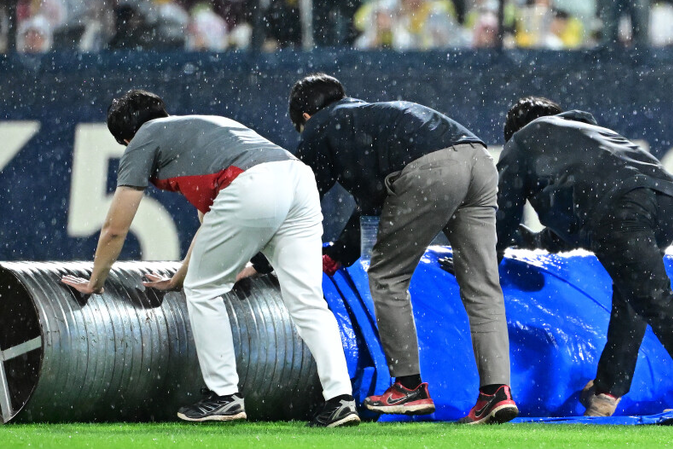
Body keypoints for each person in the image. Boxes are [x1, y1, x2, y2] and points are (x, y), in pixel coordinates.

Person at [60, 90, 358, 427]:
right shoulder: (200, 130)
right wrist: (179, 278)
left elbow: (115, 228)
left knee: (203, 291)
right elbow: (212, 226)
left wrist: (95, 281)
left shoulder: (143, 138)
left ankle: (224, 396)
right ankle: (340, 400)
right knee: (307, 301)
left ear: (125, 138)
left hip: (253, 186)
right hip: (297, 180)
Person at [288, 74, 518, 424]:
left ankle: (408, 385)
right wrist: (340, 251)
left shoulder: (321, 125)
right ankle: (496, 392)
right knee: (482, 286)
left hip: (433, 169)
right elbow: (374, 201)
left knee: (387, 276)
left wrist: (262, 260)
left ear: (305, 117)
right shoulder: (368, 116)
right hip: (477, 158)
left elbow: (297, 203)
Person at [496, 96, 673, 417]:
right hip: (665, 196)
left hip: (620, 205)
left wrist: (480, 264)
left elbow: (500, 218)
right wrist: (529, 240)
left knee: (652, 298)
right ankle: (606, 394)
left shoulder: (521, 143)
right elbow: (569, 225)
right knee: (632, 295)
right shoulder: (584, 133)